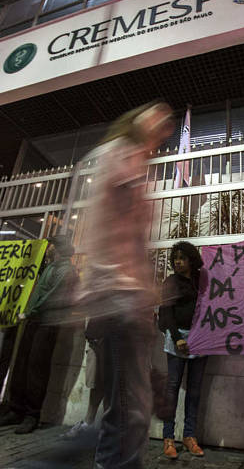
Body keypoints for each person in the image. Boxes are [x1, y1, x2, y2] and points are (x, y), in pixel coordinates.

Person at [76, 101, 173, 468]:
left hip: (123, 297)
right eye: (158, 118)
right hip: (119, 296)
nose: (164, 126)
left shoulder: (123, 157)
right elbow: (123, 234)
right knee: (131, 408)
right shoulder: (123, 155)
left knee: (128, 405)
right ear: (138, 120)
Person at [0, 234, 78, 434]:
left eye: (51, 245)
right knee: (21, 365)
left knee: (36, 369)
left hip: (47, 323)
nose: (48, 249)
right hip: (35, 321)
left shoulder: (66, 271)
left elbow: (50, 296)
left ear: (58, 248)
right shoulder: (49, 268)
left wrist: (29, 312)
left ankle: (32, 415)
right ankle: (16, 409)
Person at [158, 241, 207, 459]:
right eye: (175, 258)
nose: (177, 261)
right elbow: (166, 312)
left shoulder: (201, 280)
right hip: (177, 338)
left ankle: (189, 437)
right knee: (172, 388)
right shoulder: (171, 282)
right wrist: (177, 338)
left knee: (194, 390)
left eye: (182, 257)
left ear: (191, 259)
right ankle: (168, 438)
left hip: (201, 338)